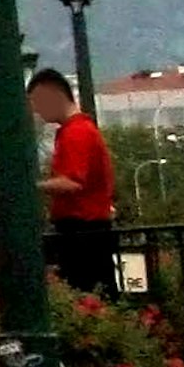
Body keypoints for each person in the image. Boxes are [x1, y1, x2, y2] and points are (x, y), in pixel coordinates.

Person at [37, 68, 118, 295]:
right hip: (88, 228)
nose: (38, 111)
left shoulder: (76, 133)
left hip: (82, 228)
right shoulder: (79, 130)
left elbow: (73, 182)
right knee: (95, 290)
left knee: (87, 290)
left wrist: (33, 186)